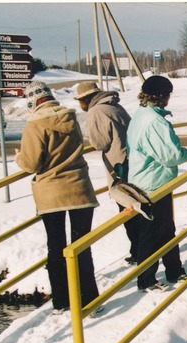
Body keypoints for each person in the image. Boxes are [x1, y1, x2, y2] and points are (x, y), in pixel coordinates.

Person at [15, 81, 100, 314]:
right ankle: (90, 300)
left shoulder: (35, 124)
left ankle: (62, 302)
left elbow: (31, 163)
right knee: (81, 246)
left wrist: (19, 157)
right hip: (80, 190)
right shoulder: (71, 118)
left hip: (52, 194)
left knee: (56, 247)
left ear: (33, 101)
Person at [126, 75, 187, 291]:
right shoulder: (155, 121)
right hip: (153, 183)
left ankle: (174, 269)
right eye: (169, 94)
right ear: (162, 96)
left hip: (146, 179)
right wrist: (185, 152)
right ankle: (147, 279)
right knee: (153, 232)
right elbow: (170, 155)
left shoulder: (141, 115)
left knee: (164, 229)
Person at [75, 81, 137, 264]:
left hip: (118, 167)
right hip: (132, 163)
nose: (80, 105)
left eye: (80, 101)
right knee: (136, 208)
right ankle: (140, 250)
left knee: (128, 211)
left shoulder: (96, 112)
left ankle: (139, 252)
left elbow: (100, 143)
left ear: (86, 99)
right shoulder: (115, 106)